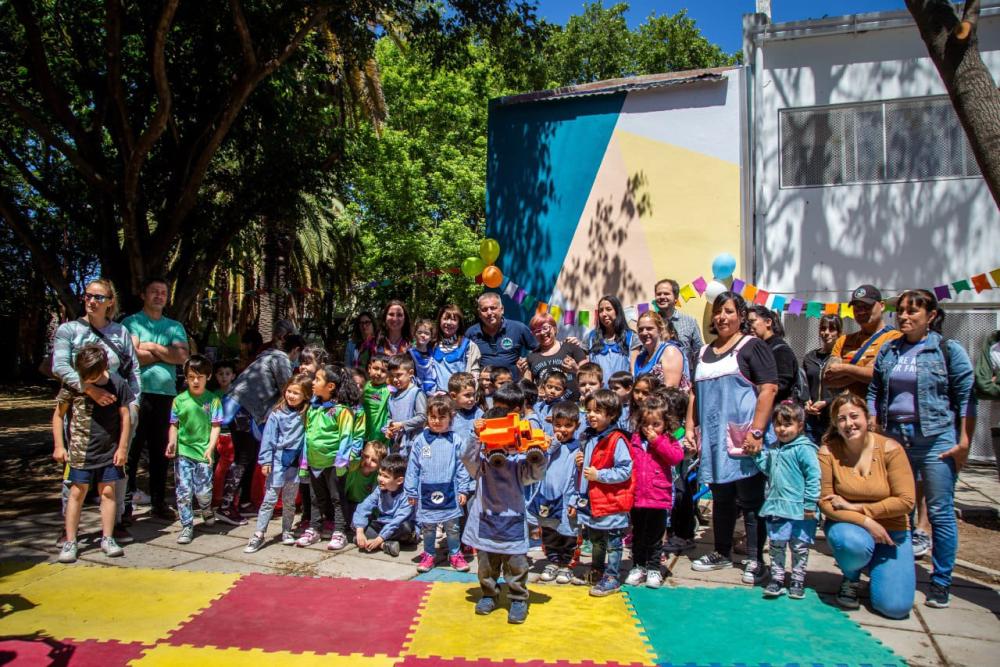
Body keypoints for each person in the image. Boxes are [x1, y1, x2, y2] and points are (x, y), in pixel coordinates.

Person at [867, 289, 976, 609]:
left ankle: (941, 581)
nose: (904, 316)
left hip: (936, 439)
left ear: (931, 316)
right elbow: (875, 388)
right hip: (897, 438)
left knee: (940, 513)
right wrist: (874, 417)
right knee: (898, 509)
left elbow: (968, 395)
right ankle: (896, 575)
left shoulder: (946, 349)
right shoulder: (890, 350)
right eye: (901, 310)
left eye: (913, 311)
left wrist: (965, 441)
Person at [686, 291, 778, 584]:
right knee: (721, 497)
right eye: (718, 311)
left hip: (743, 437)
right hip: (712, 439)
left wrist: (757, 431)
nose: (721, 317)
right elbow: (693, 394)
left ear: (740, 316)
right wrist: (690, 428)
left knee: (750, 499)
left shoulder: (752, 347)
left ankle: (755, 559)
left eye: (728, 311)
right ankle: (721, 552)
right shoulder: (701, 353)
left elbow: (769, 389)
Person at [51, 278, 140, 530]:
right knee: (75, 473)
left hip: (115, 413)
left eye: (98, 297)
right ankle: (68, 529)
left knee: (117, 467)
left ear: (109, 302)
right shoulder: (68, 330)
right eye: (88, 295)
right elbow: (59, 366)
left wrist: (134, 404)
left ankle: (116, 522)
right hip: (81, 412)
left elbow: (133, 370)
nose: (91, 300)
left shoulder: (119, 332)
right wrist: (88, 389)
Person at [820, 393, 916, 619]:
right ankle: (851, 576)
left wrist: (858, 509)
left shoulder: (891, 449)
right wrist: (865, 521)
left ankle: (878, 570)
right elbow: (825, 502)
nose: (848, 424)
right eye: (841, 419)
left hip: (892, 531)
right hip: (850, 527)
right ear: (835, 423)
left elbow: (906, 501)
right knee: (850, 543)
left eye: (854, 416)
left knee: (895, 608)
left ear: (867, 417)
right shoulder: (828, 451)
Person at [462, 405, 547, 624]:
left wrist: (537, 455)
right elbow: (466, 458)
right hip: (486, 523)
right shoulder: (481, 465)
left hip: (512, 523)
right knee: (486, 565)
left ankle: (518, 597)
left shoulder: (517, 464)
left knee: (517, 564)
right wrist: (475, 436)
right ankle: (489, 593)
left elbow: (535, 475)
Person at [53, 345, 131, 562]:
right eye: (85, 376)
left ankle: (107, 536)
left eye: (94, 376)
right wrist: (59, 445)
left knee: (108, 492)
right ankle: (70, 540)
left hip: (109, 450)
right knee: (77, 493)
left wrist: (123, 447)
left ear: (105, 366)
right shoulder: (74, 386)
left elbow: (126, 417)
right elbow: (59, 416)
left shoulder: (118, 384)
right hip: (80, 450)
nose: (90, 380)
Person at [218, 332, 305, 526]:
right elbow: (287, 388)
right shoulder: (281, 359)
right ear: (296, 350)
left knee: (248, 456)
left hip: (238, 407)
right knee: (243, 457)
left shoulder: (266, 356)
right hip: (245, 410)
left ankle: (244, 502)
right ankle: (225, 506)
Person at [123, 277, 190, 521]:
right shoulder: (131, 322)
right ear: (144, 294)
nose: (159, 296)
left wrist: (151, 346)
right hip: (137, 394)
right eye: (154, 291)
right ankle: (126, 504)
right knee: (132, 449)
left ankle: (159, 502)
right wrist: (165, 354)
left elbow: (182, 356)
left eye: (163, 292)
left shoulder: (174, 326)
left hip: (166, 396)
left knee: (162, 450)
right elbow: (132, 357)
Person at [752, 401, 820, 600]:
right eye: (778, 424)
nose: (782, 429)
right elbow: (767, 468)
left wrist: (810, 503)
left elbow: (813, 477)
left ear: (800, 426)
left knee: (799, 545)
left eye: (787, 424)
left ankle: (798, 579)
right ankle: (777, 578)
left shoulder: (805, 449)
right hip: (777, 505)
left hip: (800, 509)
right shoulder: (773, 448)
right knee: (777, 544)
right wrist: (757, 456)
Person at [571, 389, 634, 597]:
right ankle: (597, 568)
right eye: (588, 410)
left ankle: (613, 575)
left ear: (612, 415)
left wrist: (600, 475)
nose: (591, 415)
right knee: (596, 538)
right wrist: (581, 465)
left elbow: (625, 470)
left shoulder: (617, 439)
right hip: (593, 500)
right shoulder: (588, 436)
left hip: (611, 501)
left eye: (598, 411)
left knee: (613, 542)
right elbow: (588, 467)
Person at [624, 392, 686, 589]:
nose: (649, 429)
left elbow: (676, 458)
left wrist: (657, 442)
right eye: (645, 424)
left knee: (655, 536)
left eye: (655, 424)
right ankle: (638, 566)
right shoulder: (634, 440)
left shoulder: (667, 440)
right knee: (638, 535)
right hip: (637, 497)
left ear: (665, 423)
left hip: (658, 497)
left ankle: (653, 568)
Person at [244, 374, 312, 553]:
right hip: (278, 462)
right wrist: (265, 460)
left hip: (295, 464)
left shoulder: (307, 413)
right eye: (289, 391)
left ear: (305, 395)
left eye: (296, 393)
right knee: (270, 499)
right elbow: (268, 438)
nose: (291, 395)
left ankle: (287, 530)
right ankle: (259, 533)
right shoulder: (276, 414)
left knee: (290, 502)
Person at [405, 395, 473, 573]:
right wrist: (411, 491)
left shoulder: (456, 440)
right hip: (426, 491)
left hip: (450, 491)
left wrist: (464, 489)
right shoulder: (421, 440)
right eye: (433, 416)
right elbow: (413, 467)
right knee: (428, 528)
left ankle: (455, 554)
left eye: (442, 417)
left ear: (451, 417)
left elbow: (462, 466)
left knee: (453, 527)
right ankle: (428, 554)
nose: (436, 421)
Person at [296, 365, 355, 550]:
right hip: (314, 463)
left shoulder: (341, 411)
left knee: (337, 498)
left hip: (333, 464)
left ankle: (339, 531)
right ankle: (314, 528)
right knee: (315, 498)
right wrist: (305, 462)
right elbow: (308, 435)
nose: (313, 383)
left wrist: (341, 461)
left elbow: (346, 436)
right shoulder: (313, 408)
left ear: (330, 386)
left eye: (317, 380)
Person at [167, 355, 223, 545]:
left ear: (208, 376)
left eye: (200, 376)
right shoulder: (178, 401)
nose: (196, 381)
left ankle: (206, 508)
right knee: (183, 491)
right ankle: (187, 526)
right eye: (191, 377)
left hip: (204, 454)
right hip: (184, 452)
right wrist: (172, 442)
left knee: (203, 491)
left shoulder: (213, 400)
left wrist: (210, 448)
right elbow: (174, 425)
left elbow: (216, 426)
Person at [529, 400, 582, 585]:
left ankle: (567, 565)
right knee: (549, 532)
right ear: (551, 423)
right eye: (558, 425)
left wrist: (575, 501)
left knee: (569, 534)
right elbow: (538, 463)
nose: (562, 429)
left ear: (577, 425)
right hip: (547, 497)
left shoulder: (578, 449)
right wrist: (552, 445)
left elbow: (579, 479)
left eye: (568, 425)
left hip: (567, 499)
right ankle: (552, 561)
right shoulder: (547, 444)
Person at [825, 284, 902, 398]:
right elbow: (828, 379)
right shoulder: (843, 340)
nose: (861, 311)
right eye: (857, 307)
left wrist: (845, 369)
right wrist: (863, 371)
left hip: (878, 411)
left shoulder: (895, 338)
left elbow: (880, 375)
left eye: (867, 306)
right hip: (849, 411)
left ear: (881, 306)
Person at [353, 453, 417, 557]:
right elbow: (363, 507)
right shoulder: (379, 490)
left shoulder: (408, 495)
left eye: (386, 476)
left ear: (399, 480)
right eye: (380, 474)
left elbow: (398, 520)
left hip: (398, 528)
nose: (380, 479)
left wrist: (379, 539)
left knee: (406, 528)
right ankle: (385, 545)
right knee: (357, 524)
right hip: (383, 524)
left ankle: (373, 541)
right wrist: (359, 531)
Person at [465, 292, 538, 380]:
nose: (489, 313)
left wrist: (527, 360)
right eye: (484, 309)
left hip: (512, 388)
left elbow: (538, 349)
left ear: (502, 309)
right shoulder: (472, 333)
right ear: (479, 313)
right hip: (484, 387)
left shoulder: (518, 328)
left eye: (493, 308)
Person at [521, 312, 587, 397]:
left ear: (555, 329)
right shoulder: (531, 357)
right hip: (545, 407)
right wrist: (523, 375)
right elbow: (528, 388)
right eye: (537, 331)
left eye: (545, 328)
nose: (542, 333)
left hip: (573, 406)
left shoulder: (571, 347)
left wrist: (575, 369)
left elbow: (589, 376)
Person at [803, 314, 842, 443]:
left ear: (839, 332)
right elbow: (803, 384)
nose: (826, 333)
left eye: (832, 329)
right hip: (812, 420)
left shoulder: (843, 358)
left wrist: (826, 402)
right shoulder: (810, 357)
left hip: (834, 419)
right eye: (823, 329)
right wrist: (806, 402)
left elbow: (846, 389)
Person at [584, 296, 639, 385]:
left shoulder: (632, 337)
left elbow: (634, 371)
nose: (604, 314)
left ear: (617, 311)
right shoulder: (590, 338)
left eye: (608, 309)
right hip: (598, 395)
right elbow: (585, 370)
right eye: (601, 310)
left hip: (622, 395)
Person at [653, 278, 704, 368]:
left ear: (676, 298)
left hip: (685, 377)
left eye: (666, 293)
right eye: (658, 294)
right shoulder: (651, 322)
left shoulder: (690, 321)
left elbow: (699, 352)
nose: (661, 297)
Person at [432, 303, 482, 393]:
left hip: (460, 398)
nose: (449, 323)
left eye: (453, 320)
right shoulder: (431, 345)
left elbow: (474, 375)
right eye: (445, 319)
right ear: (439, 321)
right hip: (437, 399)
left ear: (459, 324)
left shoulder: (469, 346)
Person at [633, 311, 689, 390]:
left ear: (660, 330)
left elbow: (670, 390)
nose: (644, 333)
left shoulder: (669, 351)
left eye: (649, 328)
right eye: (641, 329)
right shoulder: (640, 358)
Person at [386, 354, 427, 456]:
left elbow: (423, 417)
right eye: (392, 376)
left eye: (399, 375)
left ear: (410, 373)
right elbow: (389, 417)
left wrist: (402, 425)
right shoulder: (392, 396)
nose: (395, 379)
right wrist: (389, 428)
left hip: (413, 445)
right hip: (396, 445)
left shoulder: (416, 393)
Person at [344, 440, 389, 523]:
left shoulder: (377, 477)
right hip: (349, 503)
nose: (368, 461)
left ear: (380, 464)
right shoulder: (353, 470)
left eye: (374, 460)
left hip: (366, 507)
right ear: (361, 454)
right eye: (366, 456)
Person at [362, 355, 392, 444]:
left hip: (378, 435)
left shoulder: (389, 391)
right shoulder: (362, 386)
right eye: (376, 368)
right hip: (360, 431)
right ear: (369, 368)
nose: (378, 373)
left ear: (388, 374)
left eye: (383, 371)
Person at [449, 372, 484, 442]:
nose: (472, 399)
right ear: (453, 396)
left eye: (473, 394)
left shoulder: (479, 414)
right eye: (467, 395)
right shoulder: (446, 415)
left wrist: (477, 431)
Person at [534, 369, 568, 438]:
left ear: (564, 392)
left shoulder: (564, 408)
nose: (552, 391)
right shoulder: (537, 406)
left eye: (557, 389)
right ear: (544, 387)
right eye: (549, 387)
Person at [410, 319, 439, 394]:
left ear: (431, 337)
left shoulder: (433, 352)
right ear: (415, 334)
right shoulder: (410, 353)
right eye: (419, 332)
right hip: (416, 391)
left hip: (432, 390)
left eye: (427, 333)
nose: (423, 335)